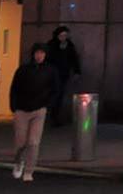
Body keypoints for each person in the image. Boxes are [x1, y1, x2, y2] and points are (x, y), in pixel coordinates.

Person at [7, 44, 59, 182]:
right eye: (37, 53)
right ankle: (18, 163)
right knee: (20, 141)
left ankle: (29, 171)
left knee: (34, 142)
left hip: (39, 109)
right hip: (22, 109)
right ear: (33, 54)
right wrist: (14, 106)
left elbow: (55, 89)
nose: (39, 55)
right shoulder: (23, 70)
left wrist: (47, 104)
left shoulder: (50, 70)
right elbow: (14, 88)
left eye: (42, 53)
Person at [45, 26, 81, 125]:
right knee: (53, 94)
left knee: (60, 94)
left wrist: (77, 71)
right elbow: (47, 59)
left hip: (63, 74)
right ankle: (49, 115)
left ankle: (55, 117)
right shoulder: (51, 45)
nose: (63, 37)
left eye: (65, 35)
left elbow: (74, 59)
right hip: (52, 74)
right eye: (61, 35)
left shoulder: (69, 45)